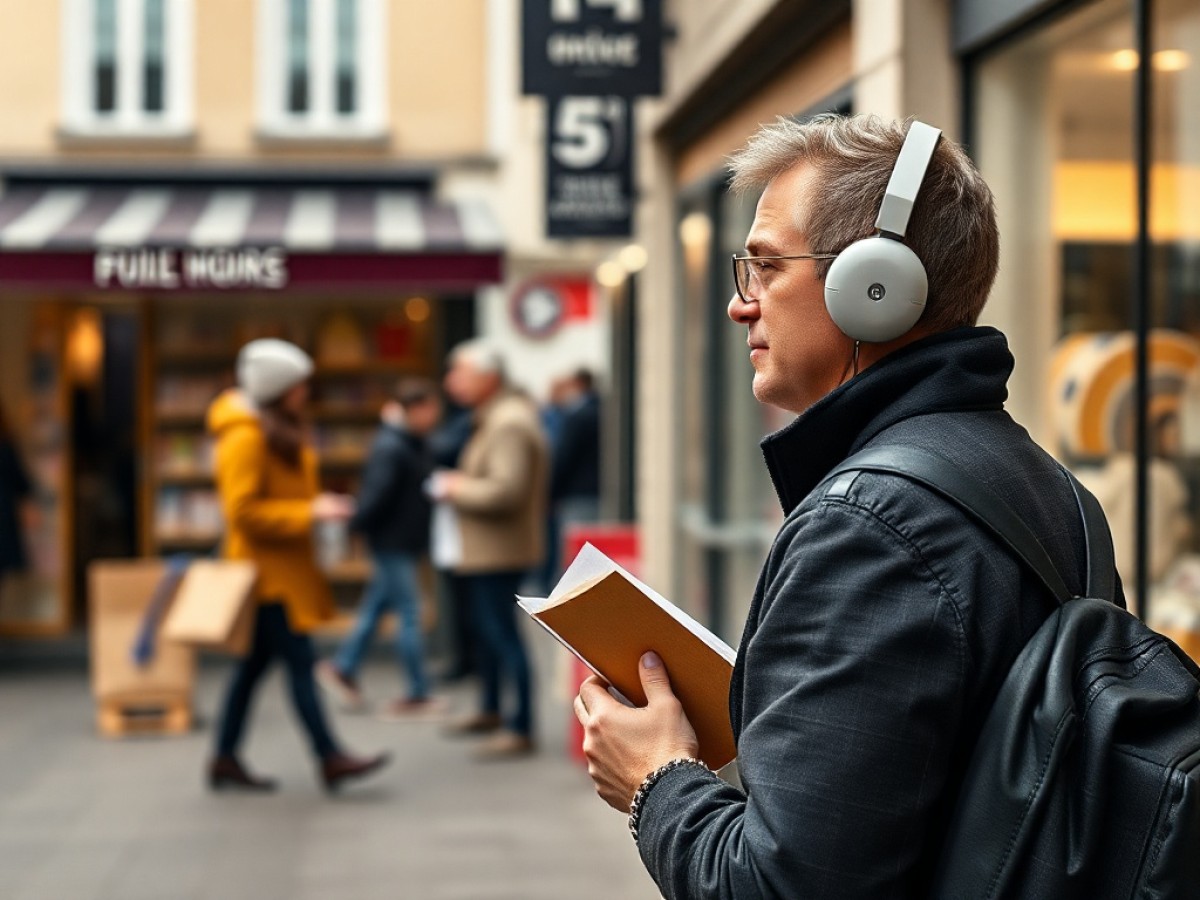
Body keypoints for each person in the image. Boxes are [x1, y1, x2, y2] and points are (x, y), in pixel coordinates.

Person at [573, 114, 1113, 898]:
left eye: (764, 267)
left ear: (875, 288)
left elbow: (780, 887)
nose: (741, 305)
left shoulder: (872, 526)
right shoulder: (1051, 487)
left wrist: (656, 778)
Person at [207, 338, 389, 793]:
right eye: (298, 385)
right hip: (267, 580)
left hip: (282, 573)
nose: (306, 392)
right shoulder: (245, 437)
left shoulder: (272, 428)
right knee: (300, 664)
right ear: (278, 389)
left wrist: (313, 505)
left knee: (252, 671)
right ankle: (329, 757)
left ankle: (225, 758)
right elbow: (242, 512)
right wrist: (309, 512)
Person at [432, 339, 548, 759]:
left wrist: (455, 487)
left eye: (459, 371)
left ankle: (520, 726)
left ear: (488, 377)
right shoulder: (496, 416)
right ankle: (493, 710)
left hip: (499, 550)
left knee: (502, 635)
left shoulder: (508, 421)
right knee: (489, 632)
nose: (451, 381)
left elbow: (506, 491)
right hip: (488, 548)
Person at [316, 379, 443, 718]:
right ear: (414, 409)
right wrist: (356, 527)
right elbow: (376, 496)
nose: (435, 416)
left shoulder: (406, 441)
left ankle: (342, 666)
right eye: (431, 409)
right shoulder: (394, 446)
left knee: (376, 608)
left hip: (400, 540)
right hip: (393, 542)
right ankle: (417, 691)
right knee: (411, 613)